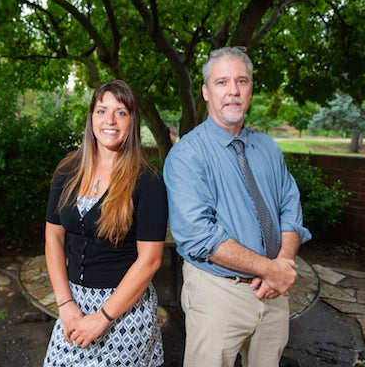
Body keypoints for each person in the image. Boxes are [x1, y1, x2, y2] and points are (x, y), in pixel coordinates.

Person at [163, 47, 312, 367]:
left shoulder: (269, 149)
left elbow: (291, 206)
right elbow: (199, 236)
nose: (233, 91)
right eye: (222, 82)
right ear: (205, 91)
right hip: (218, 293)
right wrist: (270, 269)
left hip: (273, 295)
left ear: (251, 89)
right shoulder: (188, 155)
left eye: (241, 81)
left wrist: (282, 264)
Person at [43, 79, 167, 367]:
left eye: (121, 112)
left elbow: (150, 261)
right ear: (91, 118)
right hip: (72, 305)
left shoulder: (148, 181)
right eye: (101, 111)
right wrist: (65, 304)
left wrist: (102, 318)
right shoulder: (67, 172)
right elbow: (53, 238)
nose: (109, 120)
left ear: (132, 121)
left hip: (123, 311)